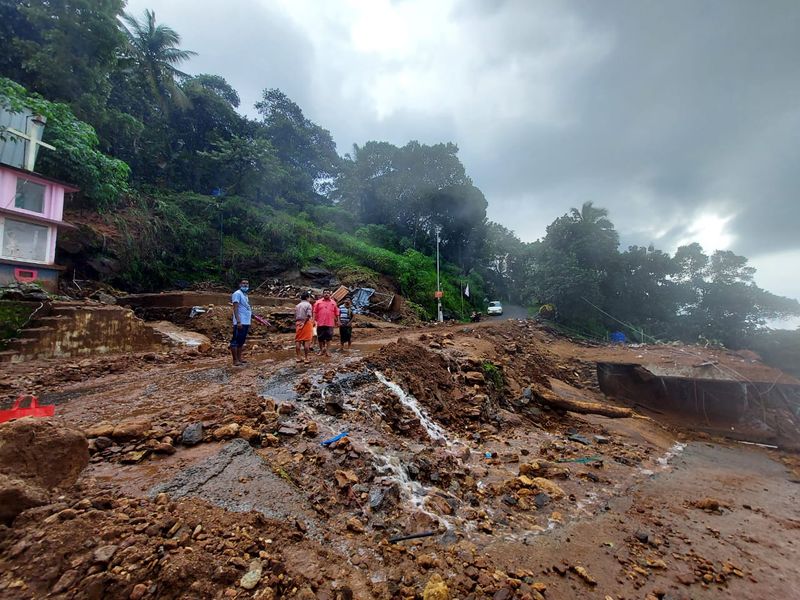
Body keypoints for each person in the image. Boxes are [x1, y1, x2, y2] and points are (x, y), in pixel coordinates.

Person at [230, 279, 251, 366]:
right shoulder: (237, 294)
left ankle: (239, 358)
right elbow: (235, 308)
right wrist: (238, 321)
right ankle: (235, 360)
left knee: (241, 341)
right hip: (240, 321)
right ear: (240, 284)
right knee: (235, 341)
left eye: (247, 283)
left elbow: (245, 308)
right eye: (243, 283)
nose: (245, 285)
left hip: (246, 321)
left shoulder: (245, 295)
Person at [312, 288, 339, 357]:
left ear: (330, 294)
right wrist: (313, 320)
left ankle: (327, 351)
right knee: (320, 338)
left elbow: (337, 312)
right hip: (320, 323)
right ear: (323, 294)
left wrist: (338, 321)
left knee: (329, 338)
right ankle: (321, 350)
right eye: (325, 293)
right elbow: (314, 312)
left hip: (330, 323)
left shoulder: (333, 302)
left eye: (328, 293)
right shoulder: (318, 302)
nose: (326, 294)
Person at [294, 292, 314, 363]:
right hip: (306, 323)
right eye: (309, 297)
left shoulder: (297, 305)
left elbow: (295, 316)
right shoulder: (308, 305)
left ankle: (298, 357)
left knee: (298, 340)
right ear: (307, 298)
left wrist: (298, 323)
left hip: (298, 323)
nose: (310, 299)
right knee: (307, 340)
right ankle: (306, 358)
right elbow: (308, 315)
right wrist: (304, 323)